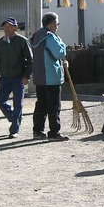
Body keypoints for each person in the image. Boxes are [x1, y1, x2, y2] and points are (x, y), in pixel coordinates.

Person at [0, 17, 33, 138]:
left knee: (18, 103)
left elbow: (30, 60)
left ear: (15, 28)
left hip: (18, 77)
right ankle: (14, 117)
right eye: (5, 27)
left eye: (9, 27)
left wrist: (26, 76)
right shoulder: (0, 42)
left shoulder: (22, 41)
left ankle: (14, 129)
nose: (6, 29)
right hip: (5, 77)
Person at [30, 12, 69, 141]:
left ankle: (38, 131)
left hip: (40, 76)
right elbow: (59, 53)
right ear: (51, 24)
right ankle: (54, 132)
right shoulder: (50, 37)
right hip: (51, 76)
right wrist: (62, 44)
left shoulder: (37, 36)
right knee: (54, 105)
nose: (57, 26)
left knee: (41, 104)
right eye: (57, 23)